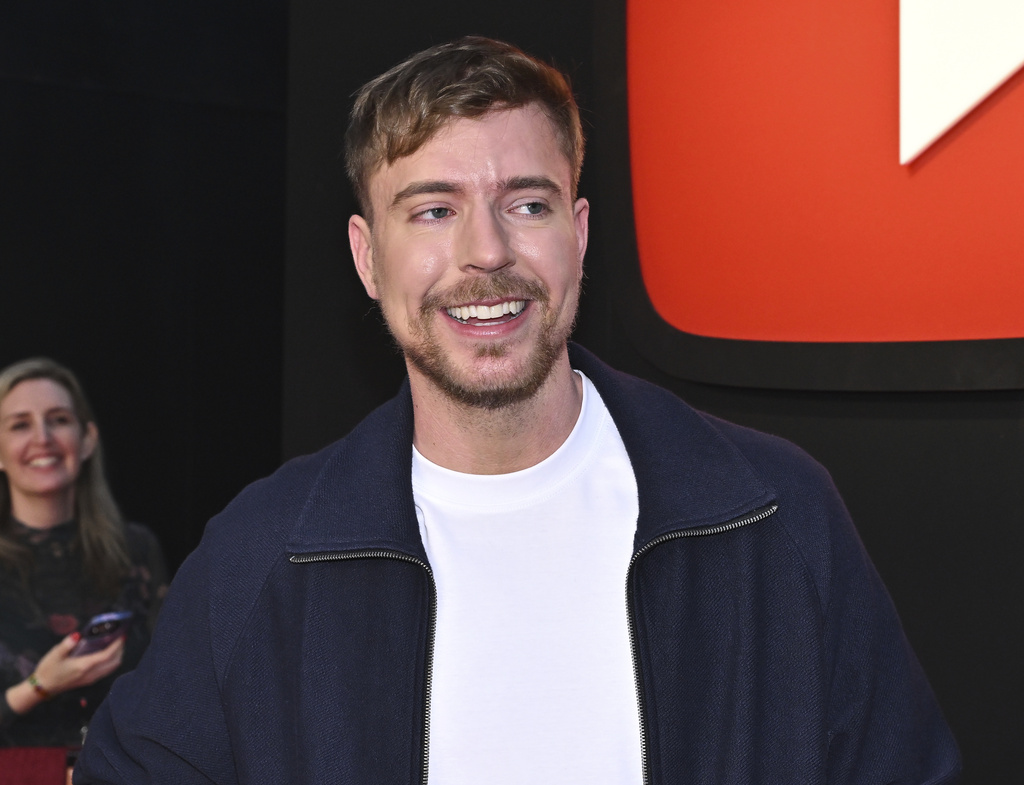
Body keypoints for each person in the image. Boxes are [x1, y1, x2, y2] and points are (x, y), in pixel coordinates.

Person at [75, 37, 960, 784]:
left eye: (526, 204)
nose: (487, 251)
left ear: (579, 233)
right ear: (367, 259)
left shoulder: (771, 513)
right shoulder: (262, 556)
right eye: (434, 211)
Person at [0, 358, 167, 749]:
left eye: (59, 420)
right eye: (20, 425)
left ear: (88, 439)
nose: (43, 438)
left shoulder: (137, 548)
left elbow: (178, 683)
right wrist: (40, 685)